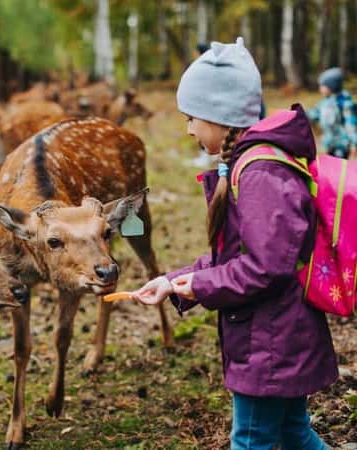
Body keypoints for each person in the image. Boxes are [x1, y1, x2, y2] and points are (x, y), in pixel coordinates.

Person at [133, 38, 337, 449]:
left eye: (191, 117)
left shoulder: (260, 172)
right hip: (277, 334)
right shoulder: (249, 164)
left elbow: (266, 266)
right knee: (294, 433)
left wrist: (203, 286)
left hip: (271, 343)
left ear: (217, 115)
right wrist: (175, 281)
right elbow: (236, 255)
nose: (189, 128)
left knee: (250, 440)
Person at [308, 67, 357, 159]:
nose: (320, 88)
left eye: (323, 86)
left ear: (331, 86)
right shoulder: (324, 103)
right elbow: (314, 113)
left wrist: (354, 143)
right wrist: (299, 114)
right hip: (329, 143)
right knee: (329, 166)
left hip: (342, 144)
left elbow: (351, 125)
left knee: (339, 167)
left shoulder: (344, 104)